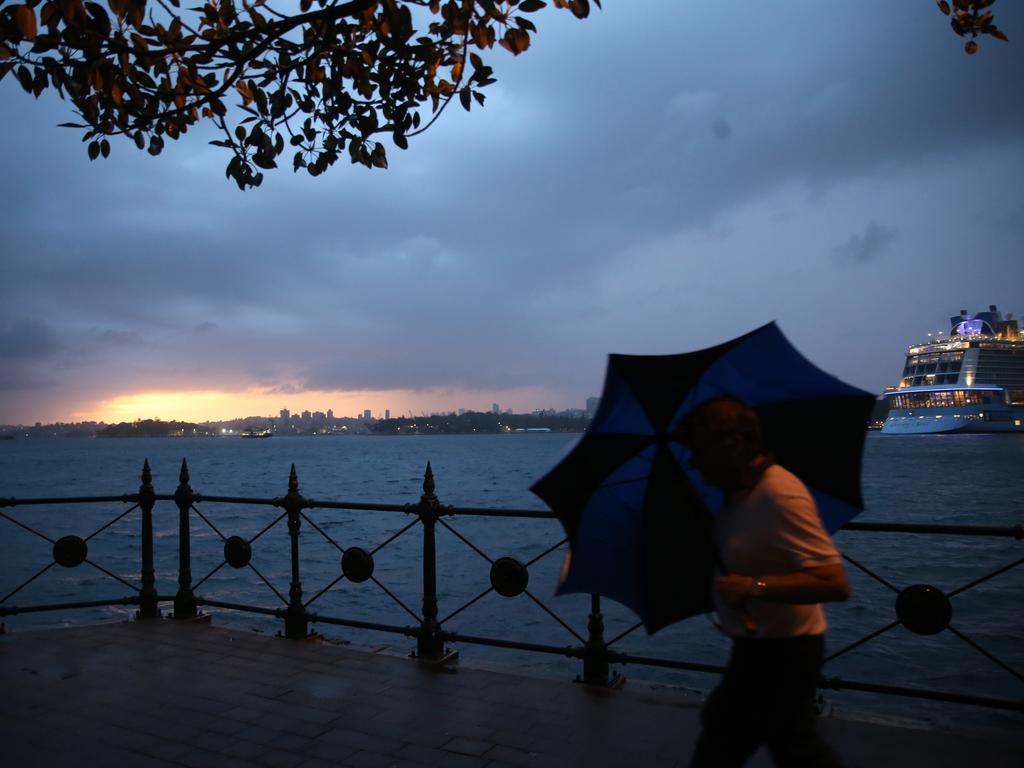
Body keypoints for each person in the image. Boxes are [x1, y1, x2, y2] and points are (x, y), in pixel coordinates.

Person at [684, 396, 850, 768]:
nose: (693, 462)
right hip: (758, 646)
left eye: (699, 450)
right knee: (777, 743)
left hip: (786, 653)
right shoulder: (734, 497)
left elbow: (834, 582)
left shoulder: (780, 493)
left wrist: (754, 587)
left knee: (781, 747)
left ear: (733, 444)